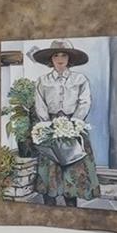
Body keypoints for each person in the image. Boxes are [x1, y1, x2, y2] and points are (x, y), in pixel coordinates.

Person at [28, 40, 100, 207]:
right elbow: (40, 104)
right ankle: (49, 202)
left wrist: (74, 124)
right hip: (50, 127)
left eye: (64, 55)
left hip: (73, 127)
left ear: (69, 58)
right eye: (56, 55)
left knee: (72, 167)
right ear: (51, 59)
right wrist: (47, 126)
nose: (60, 59)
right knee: (50, 168)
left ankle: (71, 204)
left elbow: (84, 102)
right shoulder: (43, 81)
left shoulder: (80, 79)